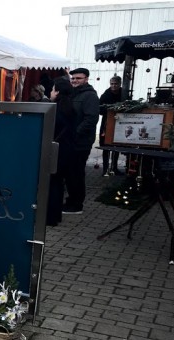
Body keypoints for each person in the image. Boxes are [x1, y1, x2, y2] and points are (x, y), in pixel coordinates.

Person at [63, 67, 99, 215]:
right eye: (73, 78)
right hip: (71, 141)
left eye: (78, 78)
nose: (75, 81)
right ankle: (71, 201)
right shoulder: (73, 94)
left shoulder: (90, 96)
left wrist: (75, 133)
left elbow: (91, 119)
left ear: (86, 79)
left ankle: (76, 204)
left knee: (76, 173)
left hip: (80, 142)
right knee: (70, 173)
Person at [46, 77, 76, 226]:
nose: (50, 92)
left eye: (52, 89)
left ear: (57, 92)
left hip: (55, 150)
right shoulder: (70, 107)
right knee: (58, 183)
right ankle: (55, 216)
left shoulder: (55, 109)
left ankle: (49, 218)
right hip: (66, 150)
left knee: (51, 184)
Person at [99, 76, 122, 176]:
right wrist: (111, 110)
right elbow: (99, 109)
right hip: (107, 123)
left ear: (120, 84)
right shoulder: (105, 95)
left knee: (116, 147)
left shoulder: (123, 94)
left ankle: (114, 167)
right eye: (112, 84)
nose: (113, 86)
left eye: (115, 84)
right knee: (106, 147)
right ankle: (105, 169)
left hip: (120, 123)